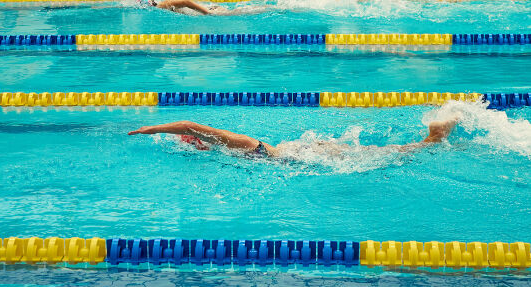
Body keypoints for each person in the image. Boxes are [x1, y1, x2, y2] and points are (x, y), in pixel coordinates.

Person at [127, 115, 460, 158]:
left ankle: (431, 140)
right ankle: (429, 139)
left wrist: (150, 129)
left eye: (189, 140)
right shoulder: (220, 151)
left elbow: (189, 124)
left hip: (300, 157)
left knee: (377, 156)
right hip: (298, 152)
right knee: (372, 152)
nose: (187, 140)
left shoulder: (236, 142)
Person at [140, 0, 269, 15]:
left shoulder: (161, 6)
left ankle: (279, 8)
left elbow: (186, 2)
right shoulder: (160, 4)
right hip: (206, 8)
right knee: (247, 9)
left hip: (208, 11)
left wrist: (206, 12)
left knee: (245, 11)